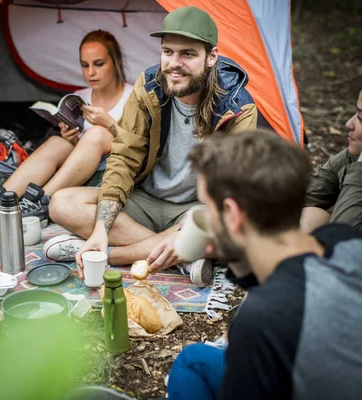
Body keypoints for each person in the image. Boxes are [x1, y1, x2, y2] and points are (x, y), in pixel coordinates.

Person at [44, 6, 257, 287]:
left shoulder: (237, 108)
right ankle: (182, 256)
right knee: (62, 203)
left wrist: (192, 227)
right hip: (145, 201)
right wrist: (99, 228)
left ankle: (111, 254)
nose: (174, 63)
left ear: (211, 57)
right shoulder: (149, 88)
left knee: (234, 232)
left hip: (194, 210)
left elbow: (232, 191)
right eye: (168, 52)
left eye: (188, 54)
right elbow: (123, 158)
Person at [167, 130, 362, 400]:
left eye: (207, 206)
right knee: (194, 359)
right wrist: (232, 252)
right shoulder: (342, 240)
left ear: (233, 214)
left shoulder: (263, 321)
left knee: (193, 361)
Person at [0, 30, 134, 229]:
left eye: (99, 64)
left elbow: (141, 144)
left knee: (98, 133)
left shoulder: (134, 95)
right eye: (85, 65)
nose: (90, 72)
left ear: (115, 62)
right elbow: (82, 150)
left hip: (116, 166)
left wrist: (108, 122)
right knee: (58, 141)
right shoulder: (80, 96)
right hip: (83, 165)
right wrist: (72, 137)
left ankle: (41, 200)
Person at [300, 88, 362, 231]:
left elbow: (346, 239)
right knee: (311, 217)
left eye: (360, 118)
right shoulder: (354, 155)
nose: (348, 124)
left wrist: (359, 171)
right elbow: (306, 193)